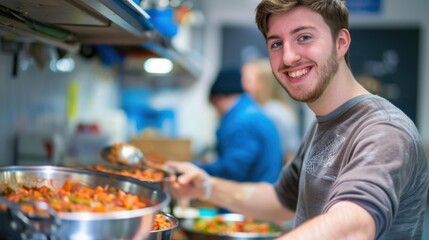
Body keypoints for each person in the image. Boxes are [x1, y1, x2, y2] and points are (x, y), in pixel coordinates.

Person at [165, 0, 429, 239]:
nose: (289, 57)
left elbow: (352, 227)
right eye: (276, 43)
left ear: (341, 43)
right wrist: (206, 188)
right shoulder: (323, 124)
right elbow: (280, 201)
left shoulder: (383, 130)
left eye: (304, 37)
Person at [195, 66, 282, 186]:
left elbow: (233, 170)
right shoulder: (250, 112)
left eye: (215, 106)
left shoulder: (242, 122)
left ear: (219, 98)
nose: (217, 113)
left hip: (252, 200)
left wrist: (195, 168)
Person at [241, 58, 301, 164]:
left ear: (263, 83)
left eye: (248, 80)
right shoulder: (265, 109)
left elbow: (287, 154)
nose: (243, 85)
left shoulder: (273, 112)